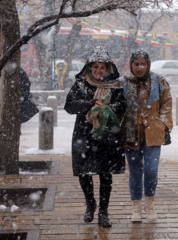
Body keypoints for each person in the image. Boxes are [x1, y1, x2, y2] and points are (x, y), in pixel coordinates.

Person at [64, 46, 126, 228]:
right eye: (95, 67)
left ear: (108, 69)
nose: (98, 71)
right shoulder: (81, 84)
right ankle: (90, 204)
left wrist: (107, 109)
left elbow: (122, 106)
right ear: (89, 67)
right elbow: (69, 106)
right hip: (84, 134)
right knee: (84, 172)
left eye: (102, 67)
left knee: (105, 174)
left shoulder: (115, 85)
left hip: (107, 135)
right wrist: (90, 104)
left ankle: (104, 212)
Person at [121, 49, 173, 223]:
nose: (140, 67)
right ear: (131, 64)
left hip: (153, 133)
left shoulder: (159, 82)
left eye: (143, 64)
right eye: (136, 64)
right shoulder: (123, 83)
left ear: (148, 64)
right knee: (135, 171)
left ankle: (150, 205)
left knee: (151, 170)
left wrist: (164, 125)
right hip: (131, 133)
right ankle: (136, 207)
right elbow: (117, 107)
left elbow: (167, 104)